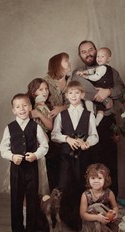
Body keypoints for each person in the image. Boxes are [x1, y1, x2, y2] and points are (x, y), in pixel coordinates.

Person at [72, 40, 125, 197]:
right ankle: (87, 203)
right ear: (80, 55)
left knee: (108, 161)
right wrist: (99, 97)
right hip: (84, 122)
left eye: (91, 50)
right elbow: (74, 91)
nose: (88, 53)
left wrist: (108, 92)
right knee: (86, 162)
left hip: (106, 121)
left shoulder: (111, 71)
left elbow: (121, 89)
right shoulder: (78, 72)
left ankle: (111, 202)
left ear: (96, 51)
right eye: (83, 51)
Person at [0, 93, 49, 232]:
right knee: (16, 200)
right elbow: (3, 148)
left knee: (32, 199)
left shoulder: (36, 127)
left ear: (30, 107)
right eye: (18, 107)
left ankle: (31, 231)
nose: (22, 109)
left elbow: (45, 146)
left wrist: (35, 155)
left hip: (32, 169)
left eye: (25, 105)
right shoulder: (9, 128)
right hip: (16, 169)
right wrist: (12, 157)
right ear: (13, 110)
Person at [51, 80, 99, 230]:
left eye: (77, 93)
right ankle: (64, 220)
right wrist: (67, 138)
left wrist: (87, 143)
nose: (73, 95)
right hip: (66, 158)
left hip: (83, 158)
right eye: (70, 93)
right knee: (64, 186)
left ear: (82, 95)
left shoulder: (88, 114)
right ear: (66, 95)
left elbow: (94, 135)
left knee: (81, 185)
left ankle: (80, 220)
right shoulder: (62, 115)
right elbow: (54, 134)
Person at [44, 52, 72, 189]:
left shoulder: (71, 82)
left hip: (67, 128)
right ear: (57, 64)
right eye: (66, 60)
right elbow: (33, 96)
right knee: (52, 163)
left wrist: (62, 108)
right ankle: (52, 198)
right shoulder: (46, 82)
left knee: (67, 164)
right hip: (49, 127)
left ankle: (65, 196)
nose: (69, 62)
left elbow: (78, 102)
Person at [76, 47, 113, 126]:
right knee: (100, 109)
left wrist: (87, 77)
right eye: (98, 56)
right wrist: (84, 72)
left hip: (102, 91)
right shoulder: (100, 67)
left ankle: (92, 116)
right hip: (100, 93)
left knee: (87, 99)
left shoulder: (103, 68)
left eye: (102, 57)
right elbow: (92, 70)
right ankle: (95, 121)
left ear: (108, 59)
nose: (99, 58)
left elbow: (96, 76)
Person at [80, 163, 119, 232]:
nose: (96, 181)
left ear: (105, 179)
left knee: (120, 224)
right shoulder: (85, 195)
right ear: (88, 179)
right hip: (92, 219)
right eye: (93, 178)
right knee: (95, 226)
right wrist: (97, 218)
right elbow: (83, 215)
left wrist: (115, 213)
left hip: (106, 217)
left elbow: (115, 207)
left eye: (100, 178)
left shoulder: (109, 193)